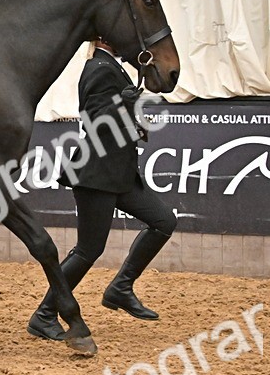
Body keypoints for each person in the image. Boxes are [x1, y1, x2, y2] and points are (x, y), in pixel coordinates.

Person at [28, 37, 177, 341]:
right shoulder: (98, 67)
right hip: (96, 174)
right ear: (106, 38)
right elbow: (96, 121)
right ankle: (44, 314)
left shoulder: (112, 67)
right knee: (88, 250)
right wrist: (127, 108)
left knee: (163, 222)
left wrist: (132, 112)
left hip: (118, 174)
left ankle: (120, 287)